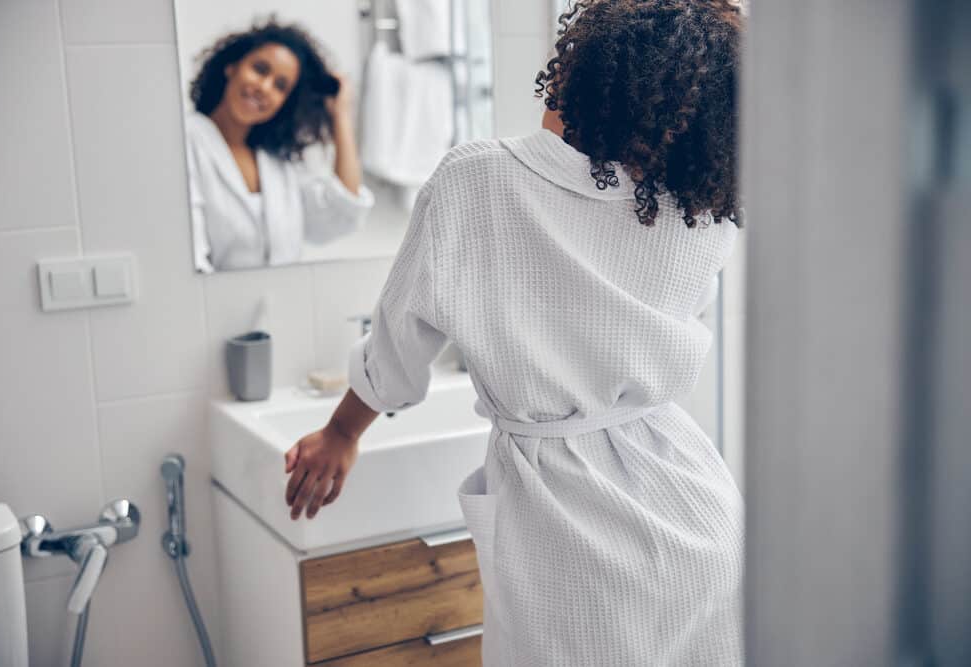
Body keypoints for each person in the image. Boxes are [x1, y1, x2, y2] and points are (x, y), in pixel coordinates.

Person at [284, 0, 744, 664]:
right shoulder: (700, 210)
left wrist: (342, 432)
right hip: (699, 522)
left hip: (572, 548)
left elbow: (396, 350)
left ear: (585, 69)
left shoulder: (477, 180)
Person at [185, 20, 373, 272]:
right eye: (260, 69)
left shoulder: (277, 162)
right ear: (231, 66)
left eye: (280, 86)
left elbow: (342, 212)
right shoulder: (187, 140)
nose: (264, 87)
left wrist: (341, 116)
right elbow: (189, 259)